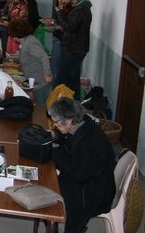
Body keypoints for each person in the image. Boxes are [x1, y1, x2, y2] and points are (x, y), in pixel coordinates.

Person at [48, 98, 115, 233]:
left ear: (69, 122)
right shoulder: (83, 123)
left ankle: (62, 226)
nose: (54, 125)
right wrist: (56, 136)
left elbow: (79, 175)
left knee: (48, 200)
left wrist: (54, 154)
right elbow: (70, 142)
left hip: (93, 192)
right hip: (89, 178)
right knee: (48, 185)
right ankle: (52, 224)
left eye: (56, 123)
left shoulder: (88, 144)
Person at [54, 0, 92, 100]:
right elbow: (73, 27)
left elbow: (69, 27)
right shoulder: (76, 8)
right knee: (73, 79)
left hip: (74, 49)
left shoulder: (80, 9)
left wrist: (60, 12)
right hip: (74, 48)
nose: (61, 1)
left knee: (62, 79)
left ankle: (60, 106)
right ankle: (74, 105)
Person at [8, 19, 52, 106]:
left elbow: (44, 57)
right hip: (33, 81)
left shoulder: (30, 43)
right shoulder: (26, 41)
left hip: (40, 82)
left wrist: (47, 74)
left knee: (40, 109)